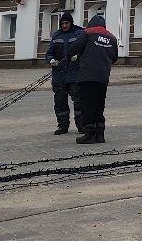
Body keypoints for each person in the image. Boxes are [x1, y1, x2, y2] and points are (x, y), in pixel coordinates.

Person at [68, 12, 119, 144]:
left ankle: (89, 133)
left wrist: (70, 57)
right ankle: (100, 134)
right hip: (103, 76)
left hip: (87, 75)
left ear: (91, 24)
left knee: (87, 104)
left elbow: (75, 48)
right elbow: (114, 58)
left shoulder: (88, 33)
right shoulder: (112, 38)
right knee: (99, 104)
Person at [44, 11, 85, 135]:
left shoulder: (79, 34)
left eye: (66, 23)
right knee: (60, 102)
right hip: (59, 74)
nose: (64, 25)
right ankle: (63, 126)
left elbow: (85, 51)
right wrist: (50, 60)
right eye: (62, 23)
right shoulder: (56, 36)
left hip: (74, 74)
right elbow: (49, 53)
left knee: (78, 101)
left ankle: (81, 126)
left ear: (71, 23)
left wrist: (78, 57)